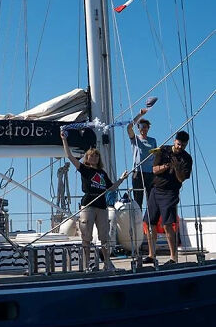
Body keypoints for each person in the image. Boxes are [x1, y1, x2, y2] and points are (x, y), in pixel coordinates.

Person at [61, 131, 128, 272]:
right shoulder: (84, 169)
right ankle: (86, 265)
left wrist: (122, 179)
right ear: (87, 157)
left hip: (101, 205)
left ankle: (107, 263)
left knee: (104, 236)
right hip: (88, 204)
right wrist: (64, 140)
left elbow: (111, 187)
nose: (94, 156)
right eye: (91, 155)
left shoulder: (102, 173)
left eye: (97, 155)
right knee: (86, 237)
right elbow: (69, 156)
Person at [144, 130, 192, 267]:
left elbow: (182, 178)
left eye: (183, 145)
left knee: (167, 224)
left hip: (170, 193)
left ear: (186, 145)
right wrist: (167, 166)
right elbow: (154, 170)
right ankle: (151, 255)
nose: (180, 147)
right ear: (174, 141)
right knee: (150, 223)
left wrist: (177, 168)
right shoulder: (163, 150)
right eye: (178, 144)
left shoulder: (186, 159)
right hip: (156, 190)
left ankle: (173, 257)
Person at [127, 108, 157, 208]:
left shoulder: (153, 141)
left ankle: (149, 222)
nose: (143, 129)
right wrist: (139, 115)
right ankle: (138, 221)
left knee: (151, 200)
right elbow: (129, 128)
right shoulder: (135, 139)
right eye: (141, 126)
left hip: (150, 173)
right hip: (138, 172)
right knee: (138, 200)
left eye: (145, 127)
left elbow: (156, 156)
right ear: (138, 128)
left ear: (148, 128)